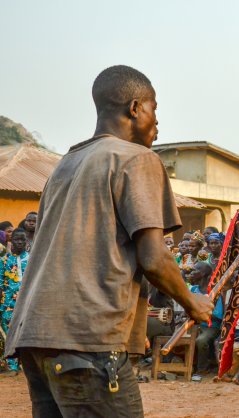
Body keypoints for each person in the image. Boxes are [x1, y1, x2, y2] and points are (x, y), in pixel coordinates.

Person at [4, 65, 213, 417]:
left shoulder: (66, 163)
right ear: (135, 108)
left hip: (35, 337)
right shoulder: (136, 159)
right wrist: (192, 301)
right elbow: (154, 258)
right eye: (154, 110)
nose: (157, 123)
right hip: (88, 340)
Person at [0, 228, 29, 373]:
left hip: (27, 305)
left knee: (26, 333)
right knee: (10, 333)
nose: (20, 242)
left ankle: (26, 365)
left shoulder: (32, 259)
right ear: (11, 241)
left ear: (27, 241)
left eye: (22, 239)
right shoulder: (3, 261)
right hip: (8, 304)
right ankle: (12, 367)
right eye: (17, 239)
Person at [188, 261, 223, 380]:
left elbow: (218, 314)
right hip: (193, 324)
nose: (191, 273)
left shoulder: (215, 292)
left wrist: (198, 312)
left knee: (201, 340)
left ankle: (202, 369)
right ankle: (183, 365)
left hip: (210, 326)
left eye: (195, 271)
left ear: (203, 274)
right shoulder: (193, 289)